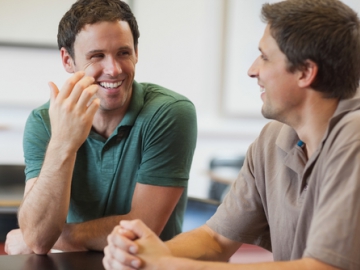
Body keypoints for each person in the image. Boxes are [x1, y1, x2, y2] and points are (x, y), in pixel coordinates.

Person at [102, 0, 360, 269]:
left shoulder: (354, 137)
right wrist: (138, 255)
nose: (253, 70)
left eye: (265, 57)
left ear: (305, 72)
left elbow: (324, 267)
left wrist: (166, 265)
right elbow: (215, 240)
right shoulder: (272, 139)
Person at [4, 0, 197, 255]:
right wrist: (63, 142)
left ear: (136, 52)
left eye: (123, 53)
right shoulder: (43, 121)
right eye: (97, 56)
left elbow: (143, 230)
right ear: (68, 60)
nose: (113, 69)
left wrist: (54, 237)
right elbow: (39, 238)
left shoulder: (169, 112)